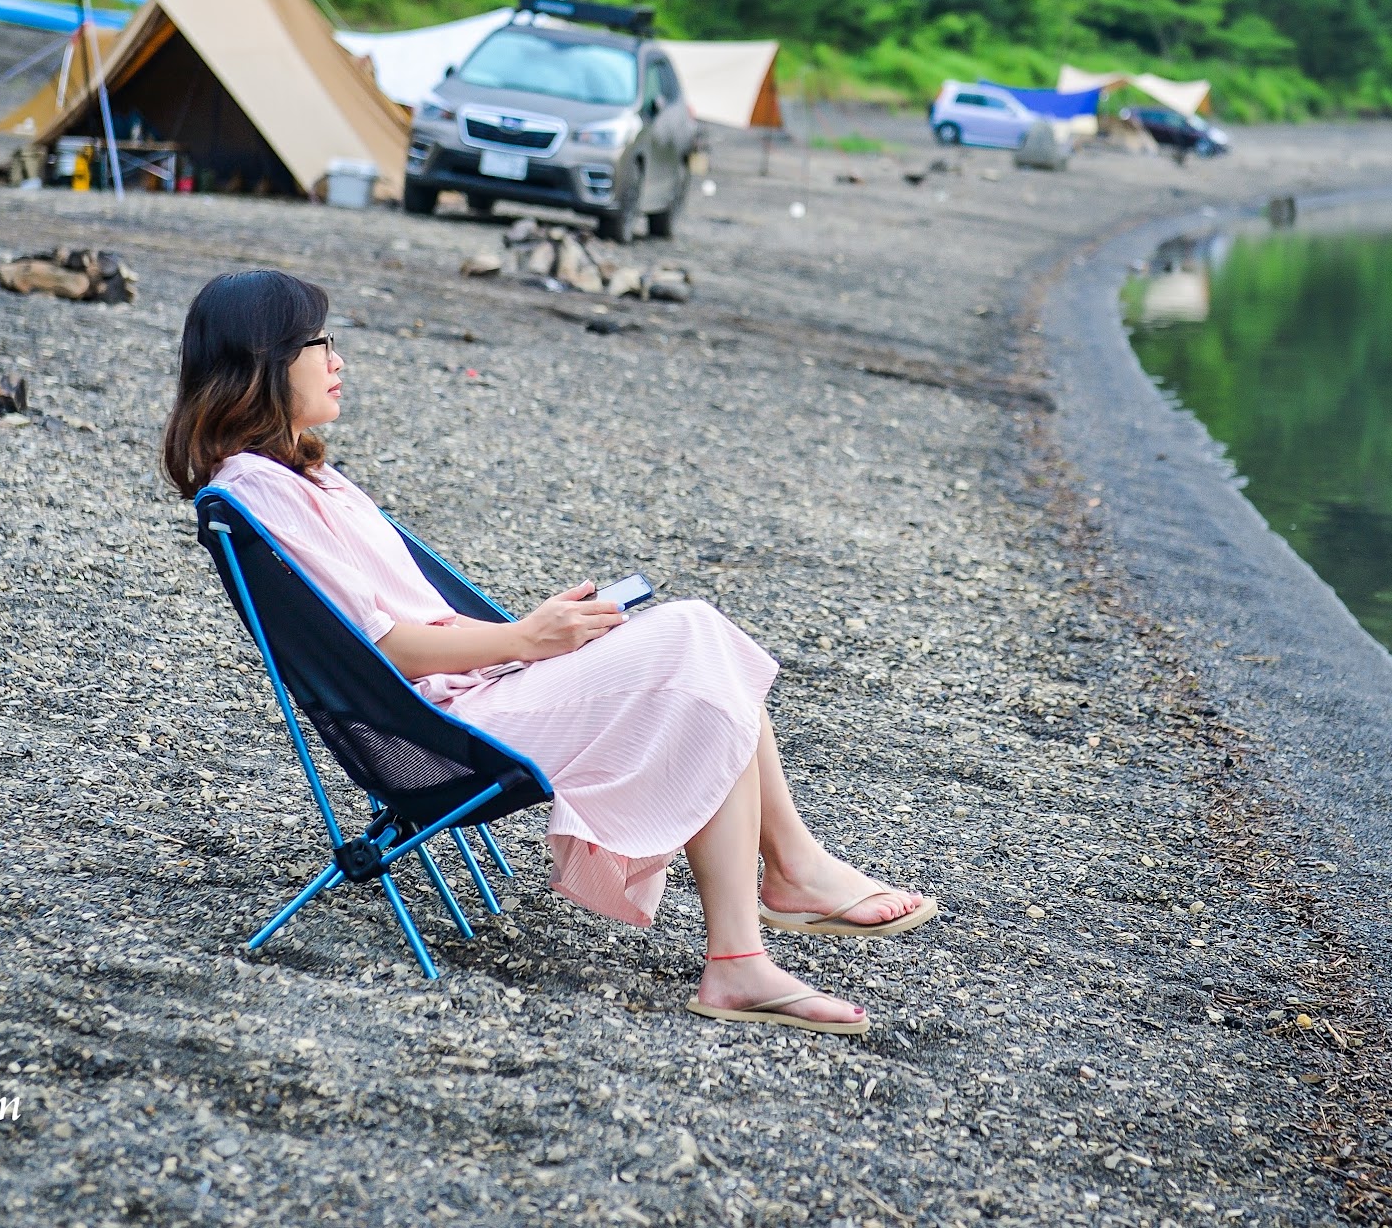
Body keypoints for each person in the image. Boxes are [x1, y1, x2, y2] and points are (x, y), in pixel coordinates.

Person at [163, 270, 935, 1033]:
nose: (338, 359)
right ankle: (770, 908)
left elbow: (401, 625)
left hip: (474, 691)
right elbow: (380, 651)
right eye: (317, 342)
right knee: (694, 635)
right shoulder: (256, 492)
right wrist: (528, 638)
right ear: (262, 362)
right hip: (445, 727)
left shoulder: (305, 475)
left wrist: (533, 641)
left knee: (705, 648)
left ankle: (770, 908)